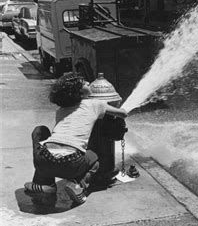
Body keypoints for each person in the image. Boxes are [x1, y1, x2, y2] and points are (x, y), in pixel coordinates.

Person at [24, 72, 127, 204]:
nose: (88, 83)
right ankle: (78, 185)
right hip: (71, 165)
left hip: (44, 159)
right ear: (79, 93)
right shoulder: (96, 104)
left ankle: (44, 184)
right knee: (95, 158)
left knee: (40, 131)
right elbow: (123, 114)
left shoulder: (60, 111)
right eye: (84, 83)